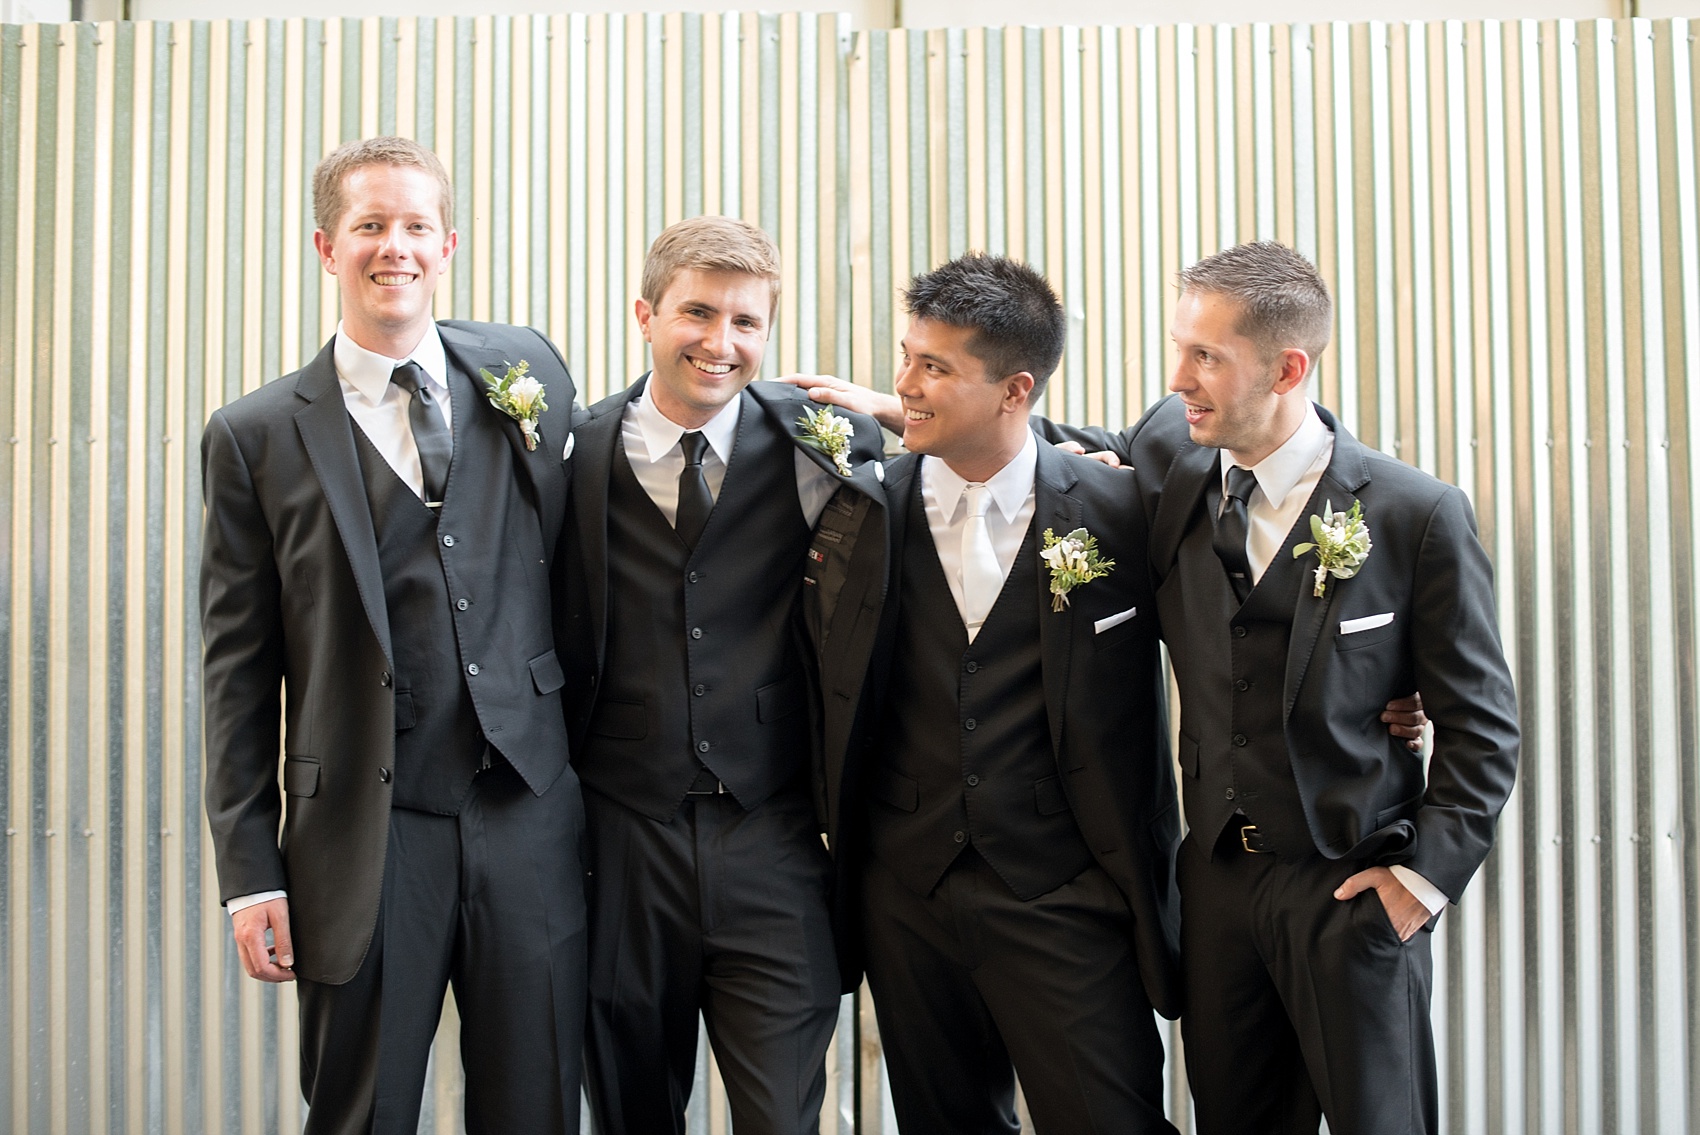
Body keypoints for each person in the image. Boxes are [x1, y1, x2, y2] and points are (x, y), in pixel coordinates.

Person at [792, 241, 1493, 1135]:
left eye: (1205, 355)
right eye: (1182, 349)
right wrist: (911, 409)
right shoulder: (1163, 459)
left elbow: (1481, 722)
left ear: (1287, 368)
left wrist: (1422, 878)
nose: (1179, 377)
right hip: (1175, 890)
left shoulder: (1401, 508)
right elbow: (1051, 443)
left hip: (1323, 878)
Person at [200, 136, 586, 1135]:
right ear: (327, 246)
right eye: (370, 225)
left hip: (525, 810)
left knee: (536, 1104)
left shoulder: (525, 367)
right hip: (362, 837)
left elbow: (598, 532)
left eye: (415, 225)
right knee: (361, 1112)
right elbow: (236, 667)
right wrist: (249, 872)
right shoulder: (254, 435)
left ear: (447, 243)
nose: (394, 247)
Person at [802, 253, 1181, 1134]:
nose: (903, 385)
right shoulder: (860, 509)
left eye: (934, 368)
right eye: (907, 358)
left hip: (1066, 892)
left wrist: (1394, 699)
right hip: (907, 892)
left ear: (1017, 389)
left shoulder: (1119, 509)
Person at [560, 215, 884, 1135]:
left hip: (774, 835)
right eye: (698, 313)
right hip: (620, 837)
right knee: (630, 1109)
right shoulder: (573, 455)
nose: (720, 342)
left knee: (782, 1114)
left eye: (746, 323)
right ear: (646, 314)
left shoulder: (825, 440)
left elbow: (985, 440)